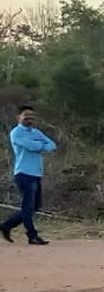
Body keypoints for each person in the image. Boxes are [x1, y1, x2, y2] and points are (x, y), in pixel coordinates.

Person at [1, 105, 57, 245]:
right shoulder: (16, 133)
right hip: (23, 173)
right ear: (19, 117)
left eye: (32, 116)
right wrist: (40, 145)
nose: (29, 118)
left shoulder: (36, 132)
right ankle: (32, 235)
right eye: (26, 115)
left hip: (36, 173)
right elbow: (33, 146)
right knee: (28, 206)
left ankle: (6, 226)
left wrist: (38, 145)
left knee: (35, 206)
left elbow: (52, 145)